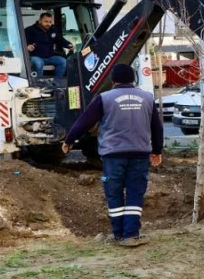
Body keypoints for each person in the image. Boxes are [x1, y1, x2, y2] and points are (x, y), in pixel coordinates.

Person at [62, 63, 163, 247]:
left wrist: (69, 140)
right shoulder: (147, 98)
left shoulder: (105, 98)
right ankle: (131, 235)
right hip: (140, 153)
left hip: (113, 154)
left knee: (114, 193)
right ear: (133, 79)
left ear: (113, 80)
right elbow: (156, 127)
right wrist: (157, 151)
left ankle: (118, 234)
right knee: (135, 193)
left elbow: (84, 122)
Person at [25, 12, 73, 77]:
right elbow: (22, 42)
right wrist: (27, 47)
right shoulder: (30, 30)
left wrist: (68, 45)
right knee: (39, 63)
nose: (48, 24)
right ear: (39, 21)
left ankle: (56, 82)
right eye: (46, 21)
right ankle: (39, 82)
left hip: (50, 57)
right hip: (35, 56)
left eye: (50, 22)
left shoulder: (53, 29)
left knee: (63, 62)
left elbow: (60, 39)